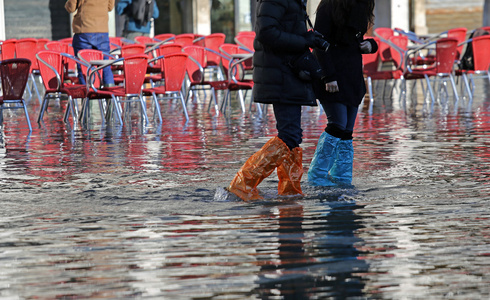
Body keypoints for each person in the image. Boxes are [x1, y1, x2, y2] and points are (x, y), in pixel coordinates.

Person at [226, 0, 329, 201]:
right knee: (289, 135)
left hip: (286, 71)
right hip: (281, 73)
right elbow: (266, 32)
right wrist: (305, 40)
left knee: (292, 136)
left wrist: (306, 39)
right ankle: (242, 184)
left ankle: (290, 192)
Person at [308, 0, 378, 187]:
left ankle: (342, 178)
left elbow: (356, 38)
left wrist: (370, 46)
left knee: (347, 130)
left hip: (352, 73)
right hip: (332, 73)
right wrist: (328, 76)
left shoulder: (362, 4)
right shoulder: (328, 5)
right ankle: (317, 176)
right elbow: (319, 43)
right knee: (337, 124)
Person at [65, 0, 115, 87]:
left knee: (84, 66)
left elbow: (71, 8)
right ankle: (111, 97)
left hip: (84, 30)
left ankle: (89, 97)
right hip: (102, 31)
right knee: (105, 66)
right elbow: (110, 7)